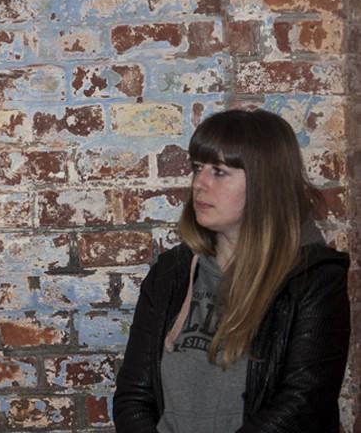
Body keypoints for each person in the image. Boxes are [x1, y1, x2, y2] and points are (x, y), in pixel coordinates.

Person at [113, 109, 350, 432]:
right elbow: (133, 395)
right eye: (198, 168)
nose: (199, 183)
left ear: (265, 183)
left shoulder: (313, 279)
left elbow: (302, 405)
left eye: (219, 172)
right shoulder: (172, 273)